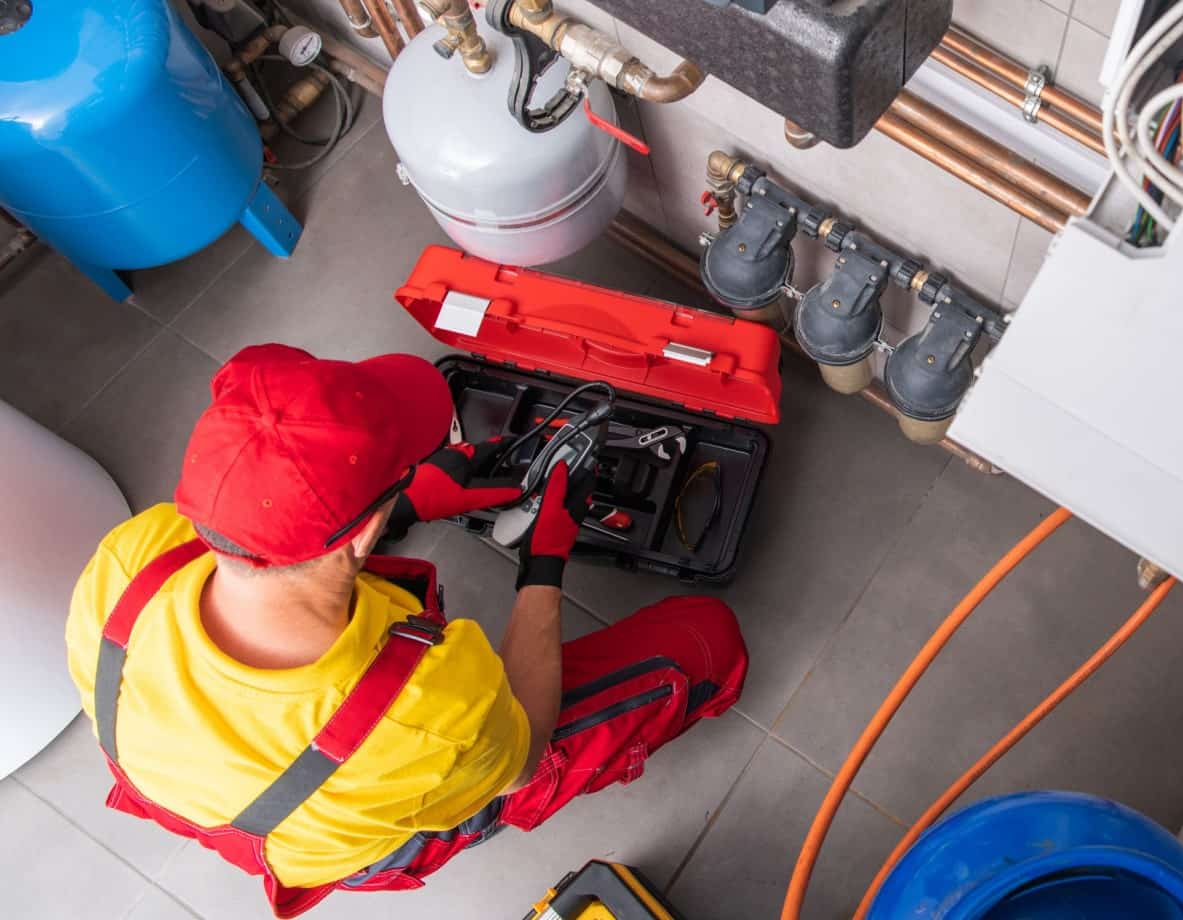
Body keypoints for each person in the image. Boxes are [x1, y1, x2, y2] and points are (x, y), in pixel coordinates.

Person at [65, 344, 747, 916]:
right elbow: (523, 751)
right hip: (359, 837)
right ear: (360, 533)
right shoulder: (426, 706)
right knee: (707, 639)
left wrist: (402, 505)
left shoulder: (132, 558)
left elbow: (270, 545)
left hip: (208, 792)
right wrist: (544, 565)